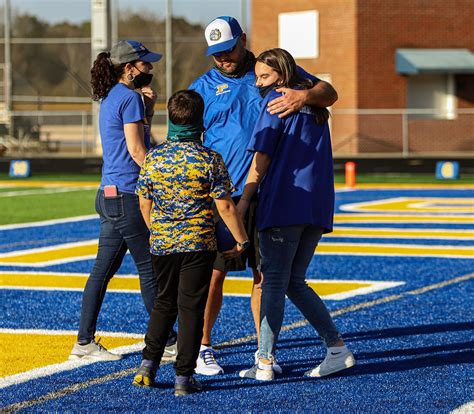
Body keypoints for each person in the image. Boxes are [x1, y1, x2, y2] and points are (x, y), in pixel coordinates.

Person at [189, 16, 338, 375]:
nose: (222, 59)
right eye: (215, 54)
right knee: (215, 274)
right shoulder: (203, 86)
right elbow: (190, 137)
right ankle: (203, 346)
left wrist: (303, 94)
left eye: (227, 50)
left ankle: (264, 351)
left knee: (265, 276)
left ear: (242, 40)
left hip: (264, 192)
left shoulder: (273, 69)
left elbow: (328, 94)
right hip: (223, 196)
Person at [237, 48, 356, 381]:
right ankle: (337, 348)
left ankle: (264, 361)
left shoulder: (277, 101)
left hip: (284, 202)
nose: (259, 83)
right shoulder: (314, 105)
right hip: (316, 205)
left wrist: (244, 202)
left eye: (264, 76)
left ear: (282, 75)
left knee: (274, 281)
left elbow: (261, 159)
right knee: (293, 281)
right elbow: (329, 93)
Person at [132, 90, 249, 396]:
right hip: (198, 243)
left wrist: (159, 231)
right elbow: (224, 206)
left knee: (163, 303)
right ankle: (183, 377)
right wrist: (242, 241)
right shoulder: (209, 159)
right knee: (191, 308)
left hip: (162, 243)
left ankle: (147, 364)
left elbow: (145, 203)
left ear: (170, 118)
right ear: (201, 121)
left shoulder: (153, 158)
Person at [69, 40, 177, 361]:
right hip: (128, 196)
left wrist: (149, 112)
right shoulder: (129, 97)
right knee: (149, 269)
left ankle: (84, 343)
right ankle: (169, 342)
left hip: (109, 194)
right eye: (145, 65)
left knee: (101, 272)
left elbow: (133, 139)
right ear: (129, 69)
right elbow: (137, 150)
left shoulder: (115, 97)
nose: (151, 69)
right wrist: (165, 181)